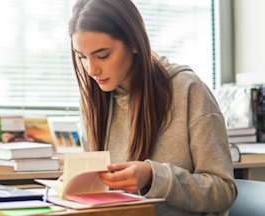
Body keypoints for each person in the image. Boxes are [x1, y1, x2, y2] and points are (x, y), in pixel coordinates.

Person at [68, 0, 237, 215]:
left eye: (103, 55)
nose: (91, 69)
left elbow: (223, 192)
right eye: (82, 57)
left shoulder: (187, 90)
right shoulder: (94, 102)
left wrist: (153, 177)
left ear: (134, 43)